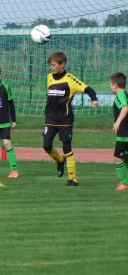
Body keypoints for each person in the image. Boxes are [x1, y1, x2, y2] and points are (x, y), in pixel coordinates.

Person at [43, 51, 99, 186]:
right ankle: (60, 160)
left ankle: (73, 179)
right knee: (46, 145)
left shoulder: (70, 79)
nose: (51, 67)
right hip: (50, 118)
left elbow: (88, 89)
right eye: (50, 65)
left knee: (67, 148)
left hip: (65, 120)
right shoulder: (49, 77)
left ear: (62, 64)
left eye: (54, 65)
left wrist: (94, 99)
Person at [109, 73, 128, 191]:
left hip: (124, 134)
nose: (110, 87)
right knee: (125, 158)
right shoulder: (126, 94)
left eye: (111, 85)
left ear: (115, 85)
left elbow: (125, 107)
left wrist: (117, 122)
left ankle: (124, 183)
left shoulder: (120, 95)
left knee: (117, 158)